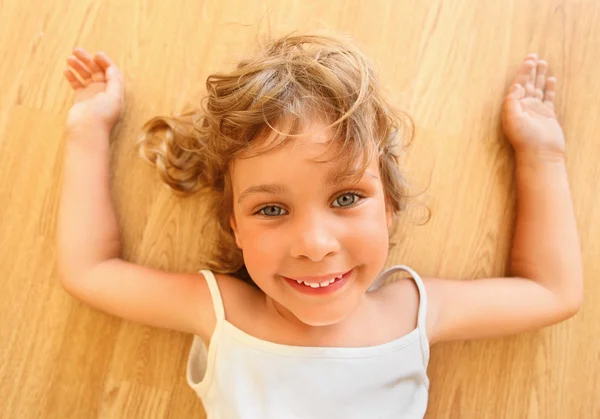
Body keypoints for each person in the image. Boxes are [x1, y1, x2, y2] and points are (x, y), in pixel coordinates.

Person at [58, 31, 583, 418]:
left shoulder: (411, 313)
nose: (313, 244)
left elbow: (552, 292)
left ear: (390, 208)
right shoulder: (225, 314)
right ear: (235, 228)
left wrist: (541, 154)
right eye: (270, 209)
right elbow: (89, 270)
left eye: (347, 197)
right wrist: (89, 129)